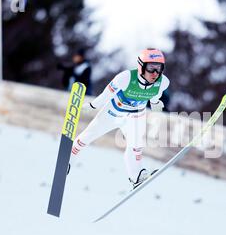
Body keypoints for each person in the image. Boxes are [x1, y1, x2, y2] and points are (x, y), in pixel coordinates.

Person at [69, 48, 170, 189]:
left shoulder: (163, 82)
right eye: (151, 68)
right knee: (87, 137)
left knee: (136, 146)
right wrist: (92, 105)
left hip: (135, 116)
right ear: (141, 66)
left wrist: (155, 104)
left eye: (159, 69)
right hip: (113, 113)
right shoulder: (125, 78)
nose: (155, 73)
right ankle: (68, 159)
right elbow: (106, 95)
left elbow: (154, 95)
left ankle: (136, 175)